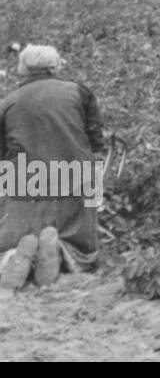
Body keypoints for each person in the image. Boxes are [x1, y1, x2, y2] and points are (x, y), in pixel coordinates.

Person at [0, 45, 105, 294]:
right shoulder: (79, 93)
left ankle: (15, 253)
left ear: (22, 70)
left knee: (12, 229)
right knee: (83, 242)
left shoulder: (8, 101)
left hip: (25, 178)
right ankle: (63, 251)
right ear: (55, 67)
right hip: (75, 176)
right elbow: (96, 142)